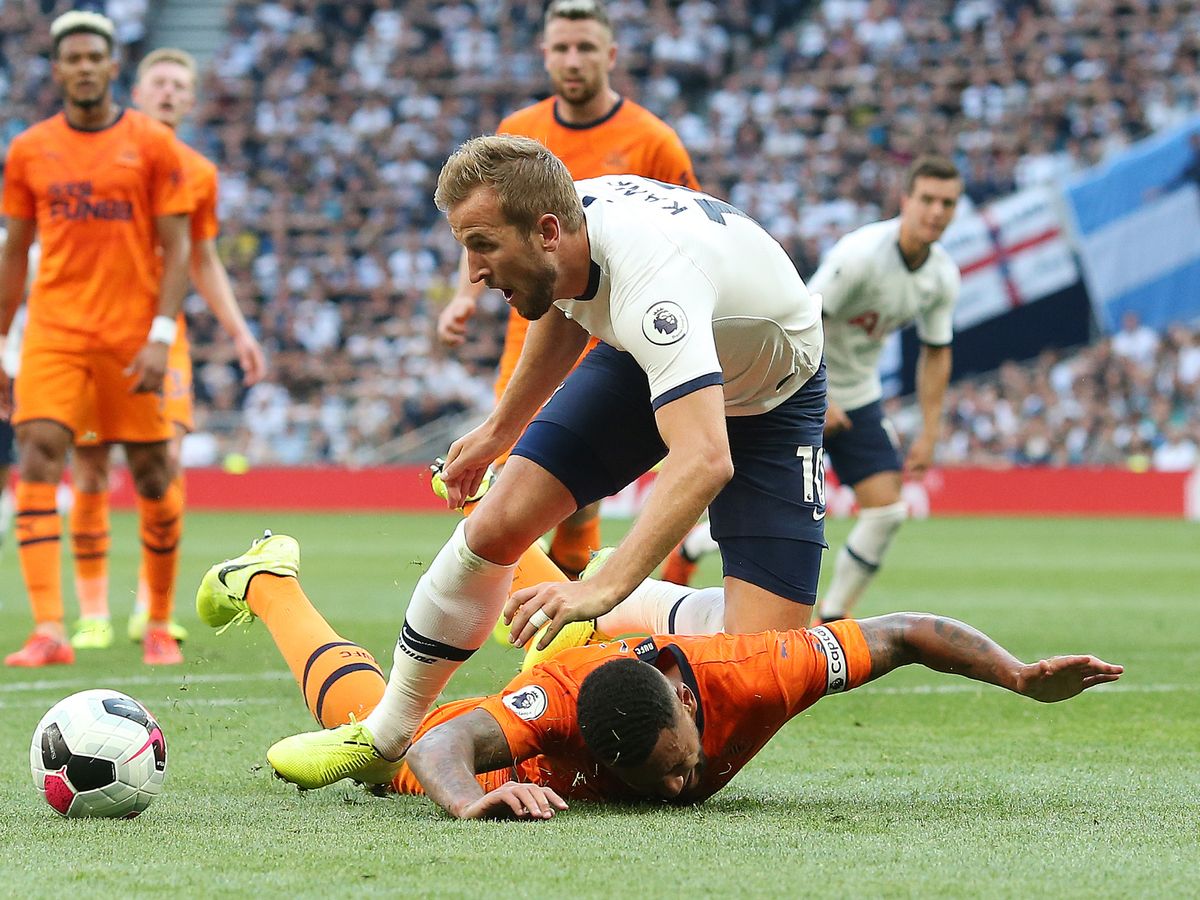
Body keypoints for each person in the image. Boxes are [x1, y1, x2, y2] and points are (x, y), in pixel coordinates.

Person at [266, 133, 827, 789]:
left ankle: (627, 603)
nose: (473, 272)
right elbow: (562, 304)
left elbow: (704, 459)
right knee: (497, 525)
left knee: (768, 663)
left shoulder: (653, 289)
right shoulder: (564, 239)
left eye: (482, 246)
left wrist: (604, 586)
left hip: (770, 396)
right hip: (653, 356)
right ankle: (387, 733)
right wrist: (496, 430)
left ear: (547, 231)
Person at [197, 532, 1122, 818]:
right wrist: (471, 801)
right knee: (377, 728)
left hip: (606, 648)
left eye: (682, 765)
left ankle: (526, 540)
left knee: (556, 609)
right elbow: (442, 741)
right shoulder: (547, 721)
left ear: (688, 704)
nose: (683, 786)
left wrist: (1015, 675)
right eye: (665, 779)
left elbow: (905, 630)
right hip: (550, 692)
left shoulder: (755, 677)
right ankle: (269, 580)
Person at [436, 0, 699, 581]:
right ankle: (546, 609)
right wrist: (464, 297)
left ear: (610, 55)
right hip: (535, 332)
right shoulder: (519, 132)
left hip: (614, 335)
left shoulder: (655, 142)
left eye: (584, 48)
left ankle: (568, 603)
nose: (572, 60)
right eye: (561, 48)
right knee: (508, 480)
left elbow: (686, 232)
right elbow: (483, 227)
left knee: (577, 492)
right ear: (544, 55)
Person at [663, 156, 962, 628]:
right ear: (905, 201)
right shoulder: (861, 257)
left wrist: (929, 431)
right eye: (927, 199)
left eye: (947, 203)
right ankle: (693, 546)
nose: (936, 212)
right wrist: (822, 398)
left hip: (859, 395)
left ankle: (834, 618)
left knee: (887, 511)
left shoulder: (942, 276)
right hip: (797, 386)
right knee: (775, 514)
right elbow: (800, 315)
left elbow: (936, 353)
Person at [0, 11, 193, 666]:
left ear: (113, 68)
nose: (83, 68)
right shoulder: (28, 150)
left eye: (94, 58)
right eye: (71, 59)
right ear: (57, 71)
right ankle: (49, 628)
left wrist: (162, 334)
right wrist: (2, 342)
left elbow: (178, 248)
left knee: (150, 470)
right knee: (38, 454)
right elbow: (13, 254)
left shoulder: (154, 145)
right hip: (54, 331)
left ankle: (159, 622)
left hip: (133, 333)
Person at [67, 46, 267, 653]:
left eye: (182, 84)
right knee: (91, 469)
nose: (170, 92)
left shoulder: (197, 171)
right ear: (135, 89)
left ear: (192, 98)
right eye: (160, 82)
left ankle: (152, 612)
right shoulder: (101, 157)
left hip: (161, 339)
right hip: (91, 331)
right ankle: (94, 611)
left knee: (164, 471)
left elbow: (203, 260)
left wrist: (238, 330)